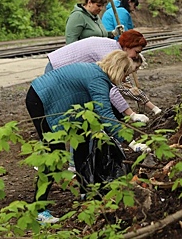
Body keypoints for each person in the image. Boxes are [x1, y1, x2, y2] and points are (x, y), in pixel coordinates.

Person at [25, 50, 148, 224]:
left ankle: (86, 191)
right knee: (54, 153)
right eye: (126, 74)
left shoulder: (97, 72)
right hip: (40, 98)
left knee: (83, 138)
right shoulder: (97, 79)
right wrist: (131, 141)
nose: (125, 79)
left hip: (53, 98)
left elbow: (101, 109)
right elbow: (105, 113)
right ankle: (39, 210)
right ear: (119, 70)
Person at [46, 30, 161, 120]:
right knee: (68, 115)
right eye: (136, 52)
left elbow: (124, 86)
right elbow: (113, 90)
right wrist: (132, 114)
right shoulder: (110, 55)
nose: (136, 57)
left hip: (66, 73)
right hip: (56, 71)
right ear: (127, 47)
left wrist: (153, 108)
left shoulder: (114, 49)